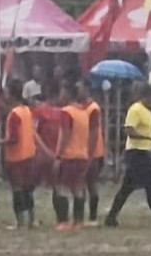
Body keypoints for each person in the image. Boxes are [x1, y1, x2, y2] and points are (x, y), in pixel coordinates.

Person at [104, 83, 151, 228]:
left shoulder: (149, 112)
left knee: (128, 188)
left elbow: (147, 134)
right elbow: (129, 131)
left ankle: (111, 217)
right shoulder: (136, 109)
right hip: (137, 154)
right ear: (147, 96)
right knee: (148, 187)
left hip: (145, 153)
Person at [3, 78, 40, 229]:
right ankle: (32, 219)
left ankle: (20, 222)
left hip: (16, 157)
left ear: (11, 95)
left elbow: (13, 138)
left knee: (17, 189)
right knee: (28, 189)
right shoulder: (26, 110)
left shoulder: (14, 114)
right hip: (29, 154)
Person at [56, 81, 91, 231]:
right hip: (82, 154)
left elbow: (65, 134)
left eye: (62, 92)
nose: (60, 95)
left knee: (62, 188)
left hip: (69, 155)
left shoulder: (67, 111)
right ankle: (79, 221)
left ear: (68, 94)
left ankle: (64, 222)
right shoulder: (83, 112)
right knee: (78, 188)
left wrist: (58, 155)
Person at [33, 84, 67, 225]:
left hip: (55, 154)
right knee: (35, 185)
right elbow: (34, 132)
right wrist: (45, 150)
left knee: (57, 186)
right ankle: (33, 218)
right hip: (46, 154)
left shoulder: (64, 111)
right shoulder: (41, 111)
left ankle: (61, 219)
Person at [80, 81, 106, 226]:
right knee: (83, 184)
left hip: (93, 151)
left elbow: (94, 133)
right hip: (84, 149)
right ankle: (86, 216)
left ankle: (93, 216)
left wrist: (90, 153)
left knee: (91, 184)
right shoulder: (83, 108)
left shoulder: (93, 108)